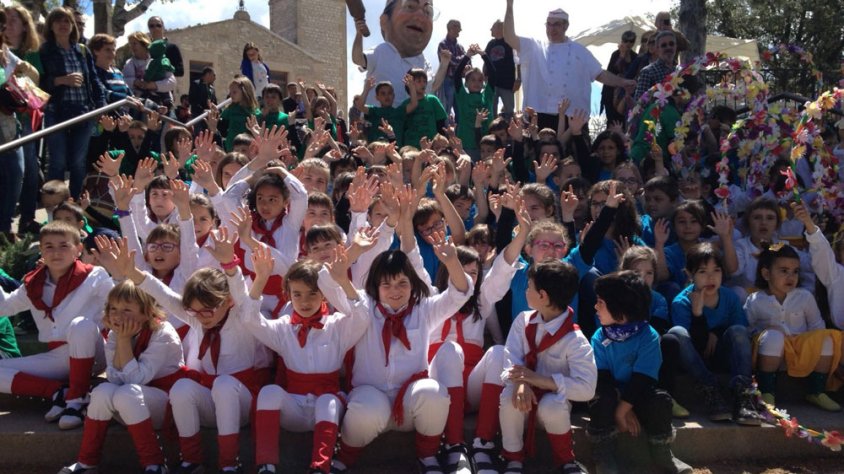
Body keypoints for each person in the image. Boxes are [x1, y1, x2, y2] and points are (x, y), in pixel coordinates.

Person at [110, 228, 269, 473]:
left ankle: (229, 465)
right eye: (194, 311)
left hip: (242, 402)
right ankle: (191, 461)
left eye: (207, 310)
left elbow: (240, 292)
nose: (201, 318)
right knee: (182, 387)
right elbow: (164, 295)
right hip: (211, 399)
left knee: (225, 385)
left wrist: (229, 264)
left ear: (227, 302)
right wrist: (132, 272)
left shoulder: (242, 317)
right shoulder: (197, 317)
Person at [326, 233, 472, 473]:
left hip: (409, 404)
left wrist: (452, 262)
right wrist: (354, 251)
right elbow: (328, 284)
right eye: (387, 285)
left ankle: (427, 457)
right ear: (376, 286)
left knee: (434, 393)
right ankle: (344, 459)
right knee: (364, 408)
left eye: (402, 283)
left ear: (412, 284)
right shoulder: (362, 305)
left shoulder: (424, 308)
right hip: (370, 397)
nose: (395, 291)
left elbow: (459, 293)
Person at [249, 248, 368, 474]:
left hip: (327, 409)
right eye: (297, 294)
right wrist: (260, 279)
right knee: (268, 393)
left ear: (324, 294)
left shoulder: (337, 325)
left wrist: (343, 282)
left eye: (313, 293)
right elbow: (251, 320)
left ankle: (320, 467)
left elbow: (362, 317)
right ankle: (266, 465)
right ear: (288, 295)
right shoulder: (283, 328)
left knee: (327, 401)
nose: (305, 301)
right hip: (294, 408)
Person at [58, 280, 185, 474]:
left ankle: (155, 464)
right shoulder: (116, 332)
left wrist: (123, 340)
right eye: (113, 308)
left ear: (146, 312)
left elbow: (136, 379)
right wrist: (120, 338)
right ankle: (86, 462)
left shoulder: (163, 333)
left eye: (127, 310)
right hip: (133, 401)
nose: (117, 315)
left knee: (127, 393)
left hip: (167, 404)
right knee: (101, 391)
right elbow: (114, 378)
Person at [0, 221, 114, 429]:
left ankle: (76, 401)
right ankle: (57, 392)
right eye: (49, 246)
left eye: (64, 245)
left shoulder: (95, 275)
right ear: (41, 250)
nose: (56, 252)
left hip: (95, 353)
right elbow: (4, 308)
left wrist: (120, 271)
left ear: (78, 250)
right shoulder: (32, 283)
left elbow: (120, 302)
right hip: (59, 357)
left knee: (81, 325)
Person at [588, 271, 693, 474]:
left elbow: (642, 380)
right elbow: (603, 379)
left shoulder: (649, 336)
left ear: (621, 310)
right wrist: (622, 407)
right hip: (612, 394)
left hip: (638, 394)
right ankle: (603, 453)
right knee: (601, 398)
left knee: (661, 400)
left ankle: (662, 450)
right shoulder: (599, 337)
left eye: (601, 302)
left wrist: (623, 410)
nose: (595, 307)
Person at [498, 260, 596, 474]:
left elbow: (587, 388)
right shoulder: (522, 321)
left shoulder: (575, 340)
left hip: (552, 409)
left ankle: (566, 461)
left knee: (552, 404)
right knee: (508, 397)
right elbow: (511, 359)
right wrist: (522, 382)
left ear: (542, 296)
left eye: (529, 287)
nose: (525, 291)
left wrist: (537, 379)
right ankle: (513, 459)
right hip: (525, 401)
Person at [666, 243, 760, 425]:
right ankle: (710, 389)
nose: (710, 277)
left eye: (716, 270)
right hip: (696, 358)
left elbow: (739, 332)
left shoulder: (730, 297)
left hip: (722, 354)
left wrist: (716, 333)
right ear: (689, 275)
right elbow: (691, 344)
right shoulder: (681, 302)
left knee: (739, 331)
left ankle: (743, 395)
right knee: (676, 333)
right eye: (702, 272)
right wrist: (698, 314)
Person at [503, 2, 635, 130]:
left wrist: (622, 82)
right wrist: (509, 6)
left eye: (556, 25)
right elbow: (509, 37)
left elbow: (600, 74)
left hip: (571, 118)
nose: (551, 29)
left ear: (566, 26)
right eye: (548, 24)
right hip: (538, 115)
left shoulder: (580, 51)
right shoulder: (534, 47)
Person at [745, 243, 842, 411]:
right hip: (772, 355)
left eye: (795, 271)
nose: (790, 277)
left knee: (827, 337)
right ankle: (767, 392)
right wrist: (767, 331)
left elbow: (817, 327)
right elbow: (747, 329)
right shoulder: (755, 300)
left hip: (802, 354)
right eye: (783, 271)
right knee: (773, 337)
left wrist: (808, 344)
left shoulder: (804, 297)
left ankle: (816, 391)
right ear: (766, 273)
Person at [39, 7, 107, 199]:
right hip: (57, 111)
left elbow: (94, 81)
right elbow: (37, 84)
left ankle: (75, 207)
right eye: (58, 21)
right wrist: (60, 80)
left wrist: (100, 107)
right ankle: (54, 206)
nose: (63, 25)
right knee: (58, 162)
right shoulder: (44, 51)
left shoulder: (82, 50)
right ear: (50, 26)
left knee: (78, 163)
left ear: (73, 26)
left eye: (67, 21)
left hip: (83, 112)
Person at [3, 4, 43, 236]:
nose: (8, 24)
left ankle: (24, 220)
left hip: (24, 115)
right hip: (4, 117)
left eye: (13, 19)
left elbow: (36, 83)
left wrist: (23, 70)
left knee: (26, 167)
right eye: (4, 19)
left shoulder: (28, 54)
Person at [352, 0, 436, 105]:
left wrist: (445, 64)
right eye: (410, 6)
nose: (421, 16)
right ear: (384, 21)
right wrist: (359, 34)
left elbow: (433, 86)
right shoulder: (381, 52)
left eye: (428, 12)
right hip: (378, 119)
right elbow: (357, 58)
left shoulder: (424, 64)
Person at [484, 19, 520, 119]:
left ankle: (510, 132)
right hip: (492, 83)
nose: (490, 29)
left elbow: (518, 62)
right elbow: (486, 60)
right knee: (491, 111)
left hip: (507, 83)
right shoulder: (490, 43)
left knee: (509, 112)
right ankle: (492, 132)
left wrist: (519, 79)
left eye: (493, 27)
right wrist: (484, 75)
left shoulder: (510, 43)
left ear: (500, 28)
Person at [601, 30, 637, 125]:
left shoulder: (635, 57)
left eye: (631, 41)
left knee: (624, 121)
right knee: (612, 120)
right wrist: (622, 55)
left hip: (626, 93)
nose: (628, 43)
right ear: (622, 41)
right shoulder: (616, 54)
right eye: (626, 40)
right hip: (611, 92)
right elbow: (612, 71)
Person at [633, 30, 677, 101]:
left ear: (676, 46)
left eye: (671, 44)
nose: (668, 47)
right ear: (657, 49)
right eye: (664, 45)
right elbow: (639, 103)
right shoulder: (648, 72)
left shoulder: (679, 70)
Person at [437, 19, 465, 118]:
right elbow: (449, 61)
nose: (459, 30)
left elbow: (466, 62)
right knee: (446, 109)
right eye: (457, 27)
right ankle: (445, 131)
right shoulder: (442, 44)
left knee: (461, 110)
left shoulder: (460, 47)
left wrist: (464, 62)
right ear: (450, 28)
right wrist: (462, 60)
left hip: (459, 82)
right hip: (447, 80)